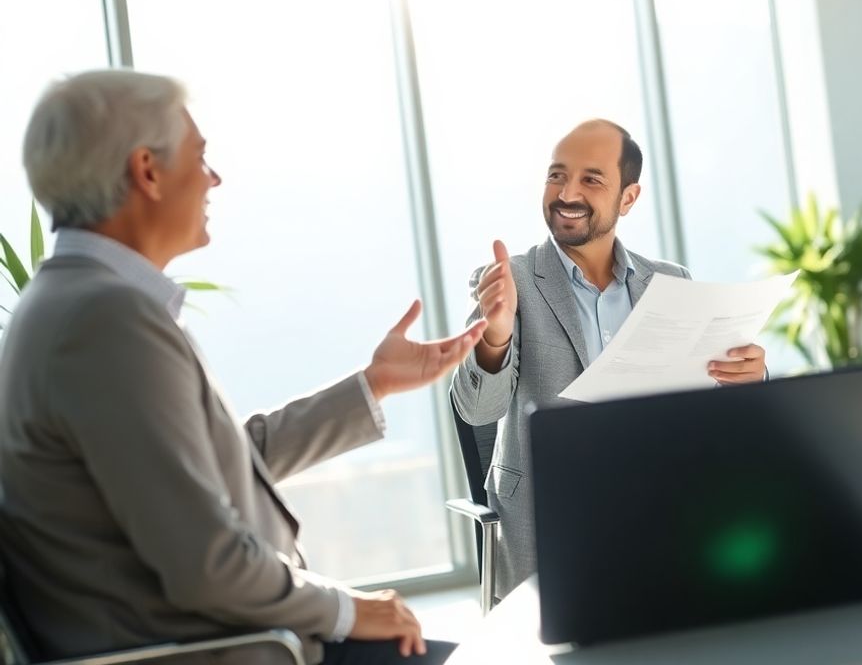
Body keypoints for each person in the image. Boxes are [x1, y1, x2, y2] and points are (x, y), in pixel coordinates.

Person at [0, 70, 489, 664]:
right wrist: (349, 608)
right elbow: (207, 563)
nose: (214, 178)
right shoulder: (104, 322)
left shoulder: (66, 305)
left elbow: (217, 462)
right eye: (200, 157)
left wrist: (374, 385)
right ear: (147, 171)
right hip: (231, 650)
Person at [451, 119, 767, 598]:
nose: (566, 193)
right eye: (556, 175)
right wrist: (492, 336)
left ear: (629, 198)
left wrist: (748, 377)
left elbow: (706, 413)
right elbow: (477, 410)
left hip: (666, 511)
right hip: (555, 523)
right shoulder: (509, 281)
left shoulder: (671, 281)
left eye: (590, 179)